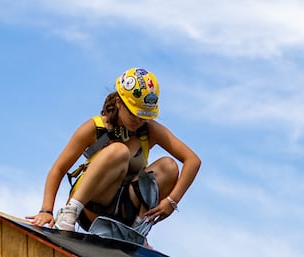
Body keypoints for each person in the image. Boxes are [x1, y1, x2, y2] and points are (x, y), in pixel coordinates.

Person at [27, 67, 201, 233]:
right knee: (119, 151)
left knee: (169, 166)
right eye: (133, 114)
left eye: (143, 117)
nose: (138, 121)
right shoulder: (94, 127)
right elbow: (58, 169)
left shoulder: (149, 130)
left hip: (124, 211)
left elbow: (192, 160)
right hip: (93, 208)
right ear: (119, 102)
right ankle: (69, 214)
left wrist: (172, 201)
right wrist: (46, 211)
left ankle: (135, 230)